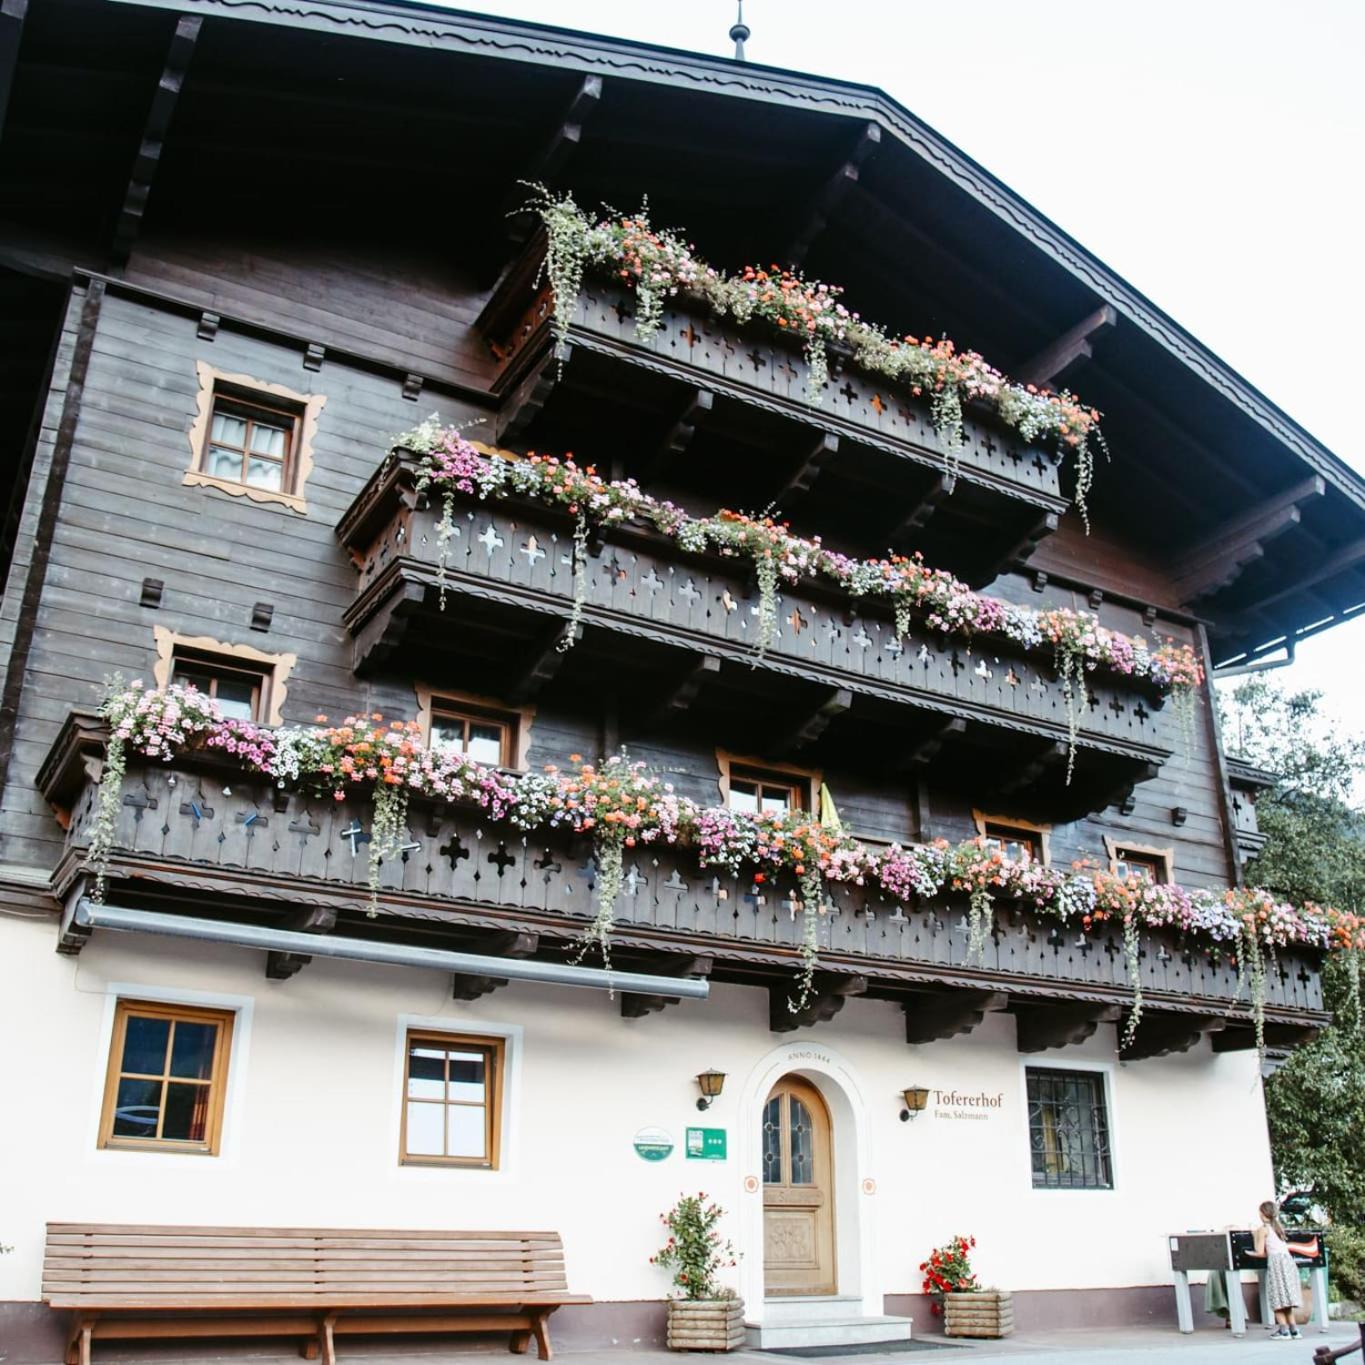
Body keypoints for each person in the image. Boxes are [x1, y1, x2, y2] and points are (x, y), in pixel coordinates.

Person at [1247, 1200, 1303, 1339]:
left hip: (1277, 1265)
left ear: (1262, 1213)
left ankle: (1283, 1331)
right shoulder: (1278, 1227)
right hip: (1288, 1262)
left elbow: (1260, 1252)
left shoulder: (1263, 1229)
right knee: (1286, 1299)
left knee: (1276, 1298)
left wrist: (1251, 1249)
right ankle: (1294, 1330)